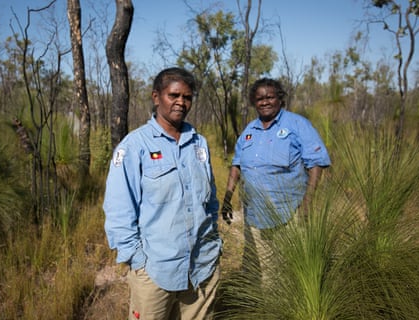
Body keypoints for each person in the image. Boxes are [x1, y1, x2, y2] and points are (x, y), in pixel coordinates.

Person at [103, 67, 222, 320]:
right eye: (174, 95)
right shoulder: (135, 146)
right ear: (156, 97)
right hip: (156, 271)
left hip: (202, 266)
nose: (181, 102)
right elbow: (119, 211)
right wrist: (138, 261)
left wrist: (214, 242)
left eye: (187, 97)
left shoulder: (199, 144)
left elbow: (210, 201)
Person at [221, 77, 331, 276]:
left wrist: (308, 200)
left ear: (280, 98)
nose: (265, 102)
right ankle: (257, 304)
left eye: (270, 97)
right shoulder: (249, 131)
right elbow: (236, 165)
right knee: (256, 268)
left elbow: (316, 163)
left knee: (286, 270)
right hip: (254, 213)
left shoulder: (297, 124)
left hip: (288, 213)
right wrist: (228, 197)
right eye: (259, 98)